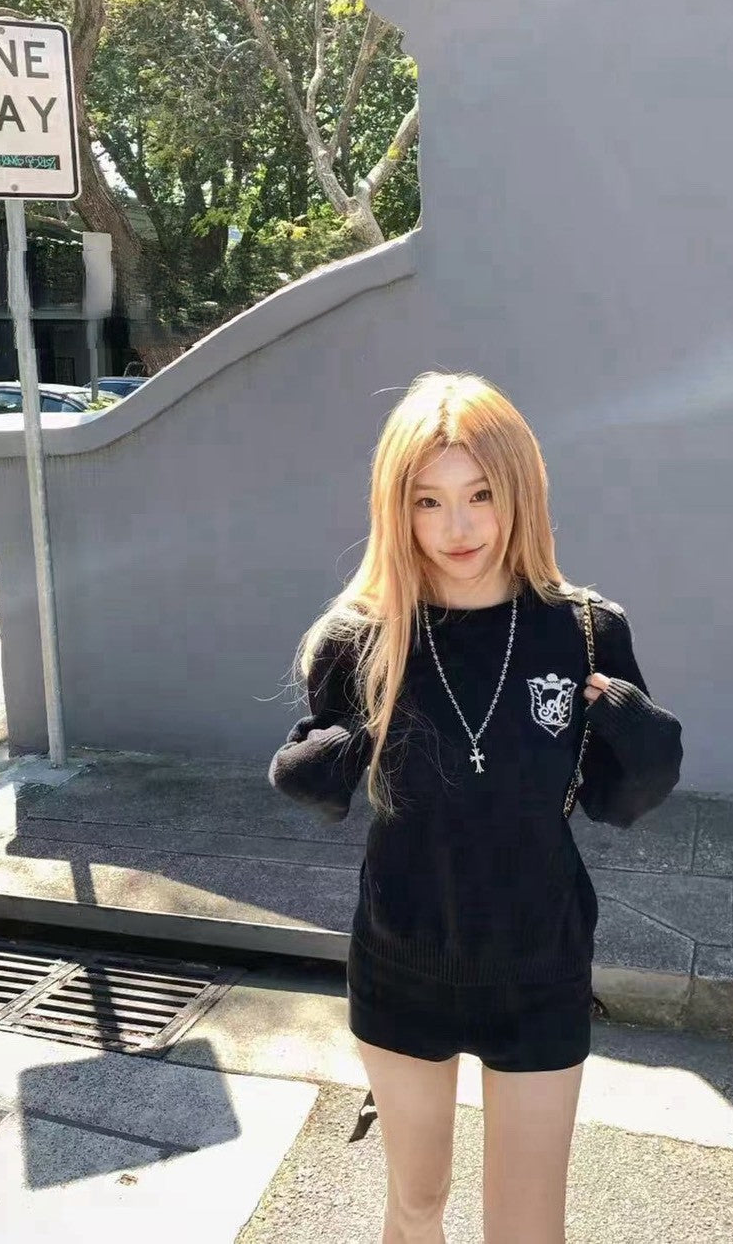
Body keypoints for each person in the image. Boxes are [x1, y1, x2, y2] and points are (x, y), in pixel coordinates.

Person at [268, 371, 684, 1243]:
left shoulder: (583, 631)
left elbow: (618, 801)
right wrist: (322, 757)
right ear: (398, 508)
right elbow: (319, 775)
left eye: (481, 494)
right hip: (402, 960)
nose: (457, 527)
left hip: (540, 963)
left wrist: (643, 734)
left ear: (520, 491)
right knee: (416, 1202)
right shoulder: (364, 636)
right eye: (428, 500)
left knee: (527, 1227)